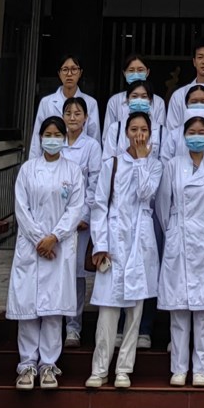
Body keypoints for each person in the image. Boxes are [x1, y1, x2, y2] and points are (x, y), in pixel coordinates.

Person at [8, 117, 86, 391]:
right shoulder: (27, 170)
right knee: (28, 308)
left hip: (59, 247)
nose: (52, 139)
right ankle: (27, 365)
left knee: (54, 310)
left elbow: (75, 208)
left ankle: (49, 365)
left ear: (64, 138)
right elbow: (21, 208)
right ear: (40, 138)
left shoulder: (73, 171)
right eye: (47, 134)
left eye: (57, 135)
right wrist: (39, 239)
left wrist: (54, 237)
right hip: (31, 247)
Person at [86, 109, 162, 390]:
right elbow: (99, 206)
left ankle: (124, 369)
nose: (139, 135)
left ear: (150, 134)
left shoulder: (155, 165)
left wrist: (142, 161)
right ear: (126, 133)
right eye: (134, 129)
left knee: (135, 314)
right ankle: (99, 369)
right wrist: (101, 244)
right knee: (108, 312)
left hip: (140, 244)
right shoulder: (112, 163)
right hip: (114, 241)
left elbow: (145, 193)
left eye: (144, 130)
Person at [158, 112, 204, 387]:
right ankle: (178, 368)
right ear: (183, 136)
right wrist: (174, 231)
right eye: (192, 132)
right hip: (179, 238)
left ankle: (201, 368)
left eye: (202, 132)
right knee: (179, 310)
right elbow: (163, 206)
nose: (196, 137)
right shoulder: (172, 166)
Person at [59, 94, 102, 347]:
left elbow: (95, 183)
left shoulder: (92, 146)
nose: (73, 118)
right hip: (55, 219)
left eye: (77, 114)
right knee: (55, 272)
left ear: (86, 118)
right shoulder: (55, 142)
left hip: (79, 222)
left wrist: (85, 214)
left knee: (75, 275)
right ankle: (54, 321)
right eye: (68, 114)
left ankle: (73, 327)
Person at [103, 54, 168, 151]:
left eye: (140, 70)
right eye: (131, 70)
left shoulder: (158, 102)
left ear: (147, 72)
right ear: (124, 73)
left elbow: (161, 135)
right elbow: (107, 136)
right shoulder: (114, 101)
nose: (136, 74)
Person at [34, 54, 101, 142]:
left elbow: (94, 137)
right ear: (59, 73)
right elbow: (37, 137)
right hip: (52, 150)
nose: (69, 74)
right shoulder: (46, 102)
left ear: (80, 73)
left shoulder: (91, 103)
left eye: (74, 69)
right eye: (65, 70)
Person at [103, 79, 162, 159]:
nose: (139, 100)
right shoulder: (115, 128)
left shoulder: (161, 131)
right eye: (134, 96)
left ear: (150, 100)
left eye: (144, 97)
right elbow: (108, 161)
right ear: (127, 100)